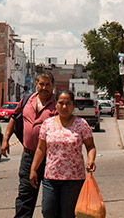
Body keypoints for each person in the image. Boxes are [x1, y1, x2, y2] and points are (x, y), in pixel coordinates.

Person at [29, 90, 96, 218]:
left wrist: (91, 160)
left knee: (67, 214)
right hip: (51, 178)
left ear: (73, 105)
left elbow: (90, 146)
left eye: (68, 103)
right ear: (56, 104)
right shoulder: (47, 124)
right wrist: (33, 169)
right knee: (47, 211)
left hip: (73, 179)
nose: (64, 107)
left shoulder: (82, 124)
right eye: (61, 103)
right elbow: (41, 149)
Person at [2, 71, 58, 217]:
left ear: (52, 86)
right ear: (36, 84)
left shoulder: (58, 104)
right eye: (41, 84)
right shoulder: (27, 99)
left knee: (51, 202)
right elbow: (14, 118)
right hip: (28, 156)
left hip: (50, 159)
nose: (44, 88)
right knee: (25, 197)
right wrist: (5, 140)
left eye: (47, 85)